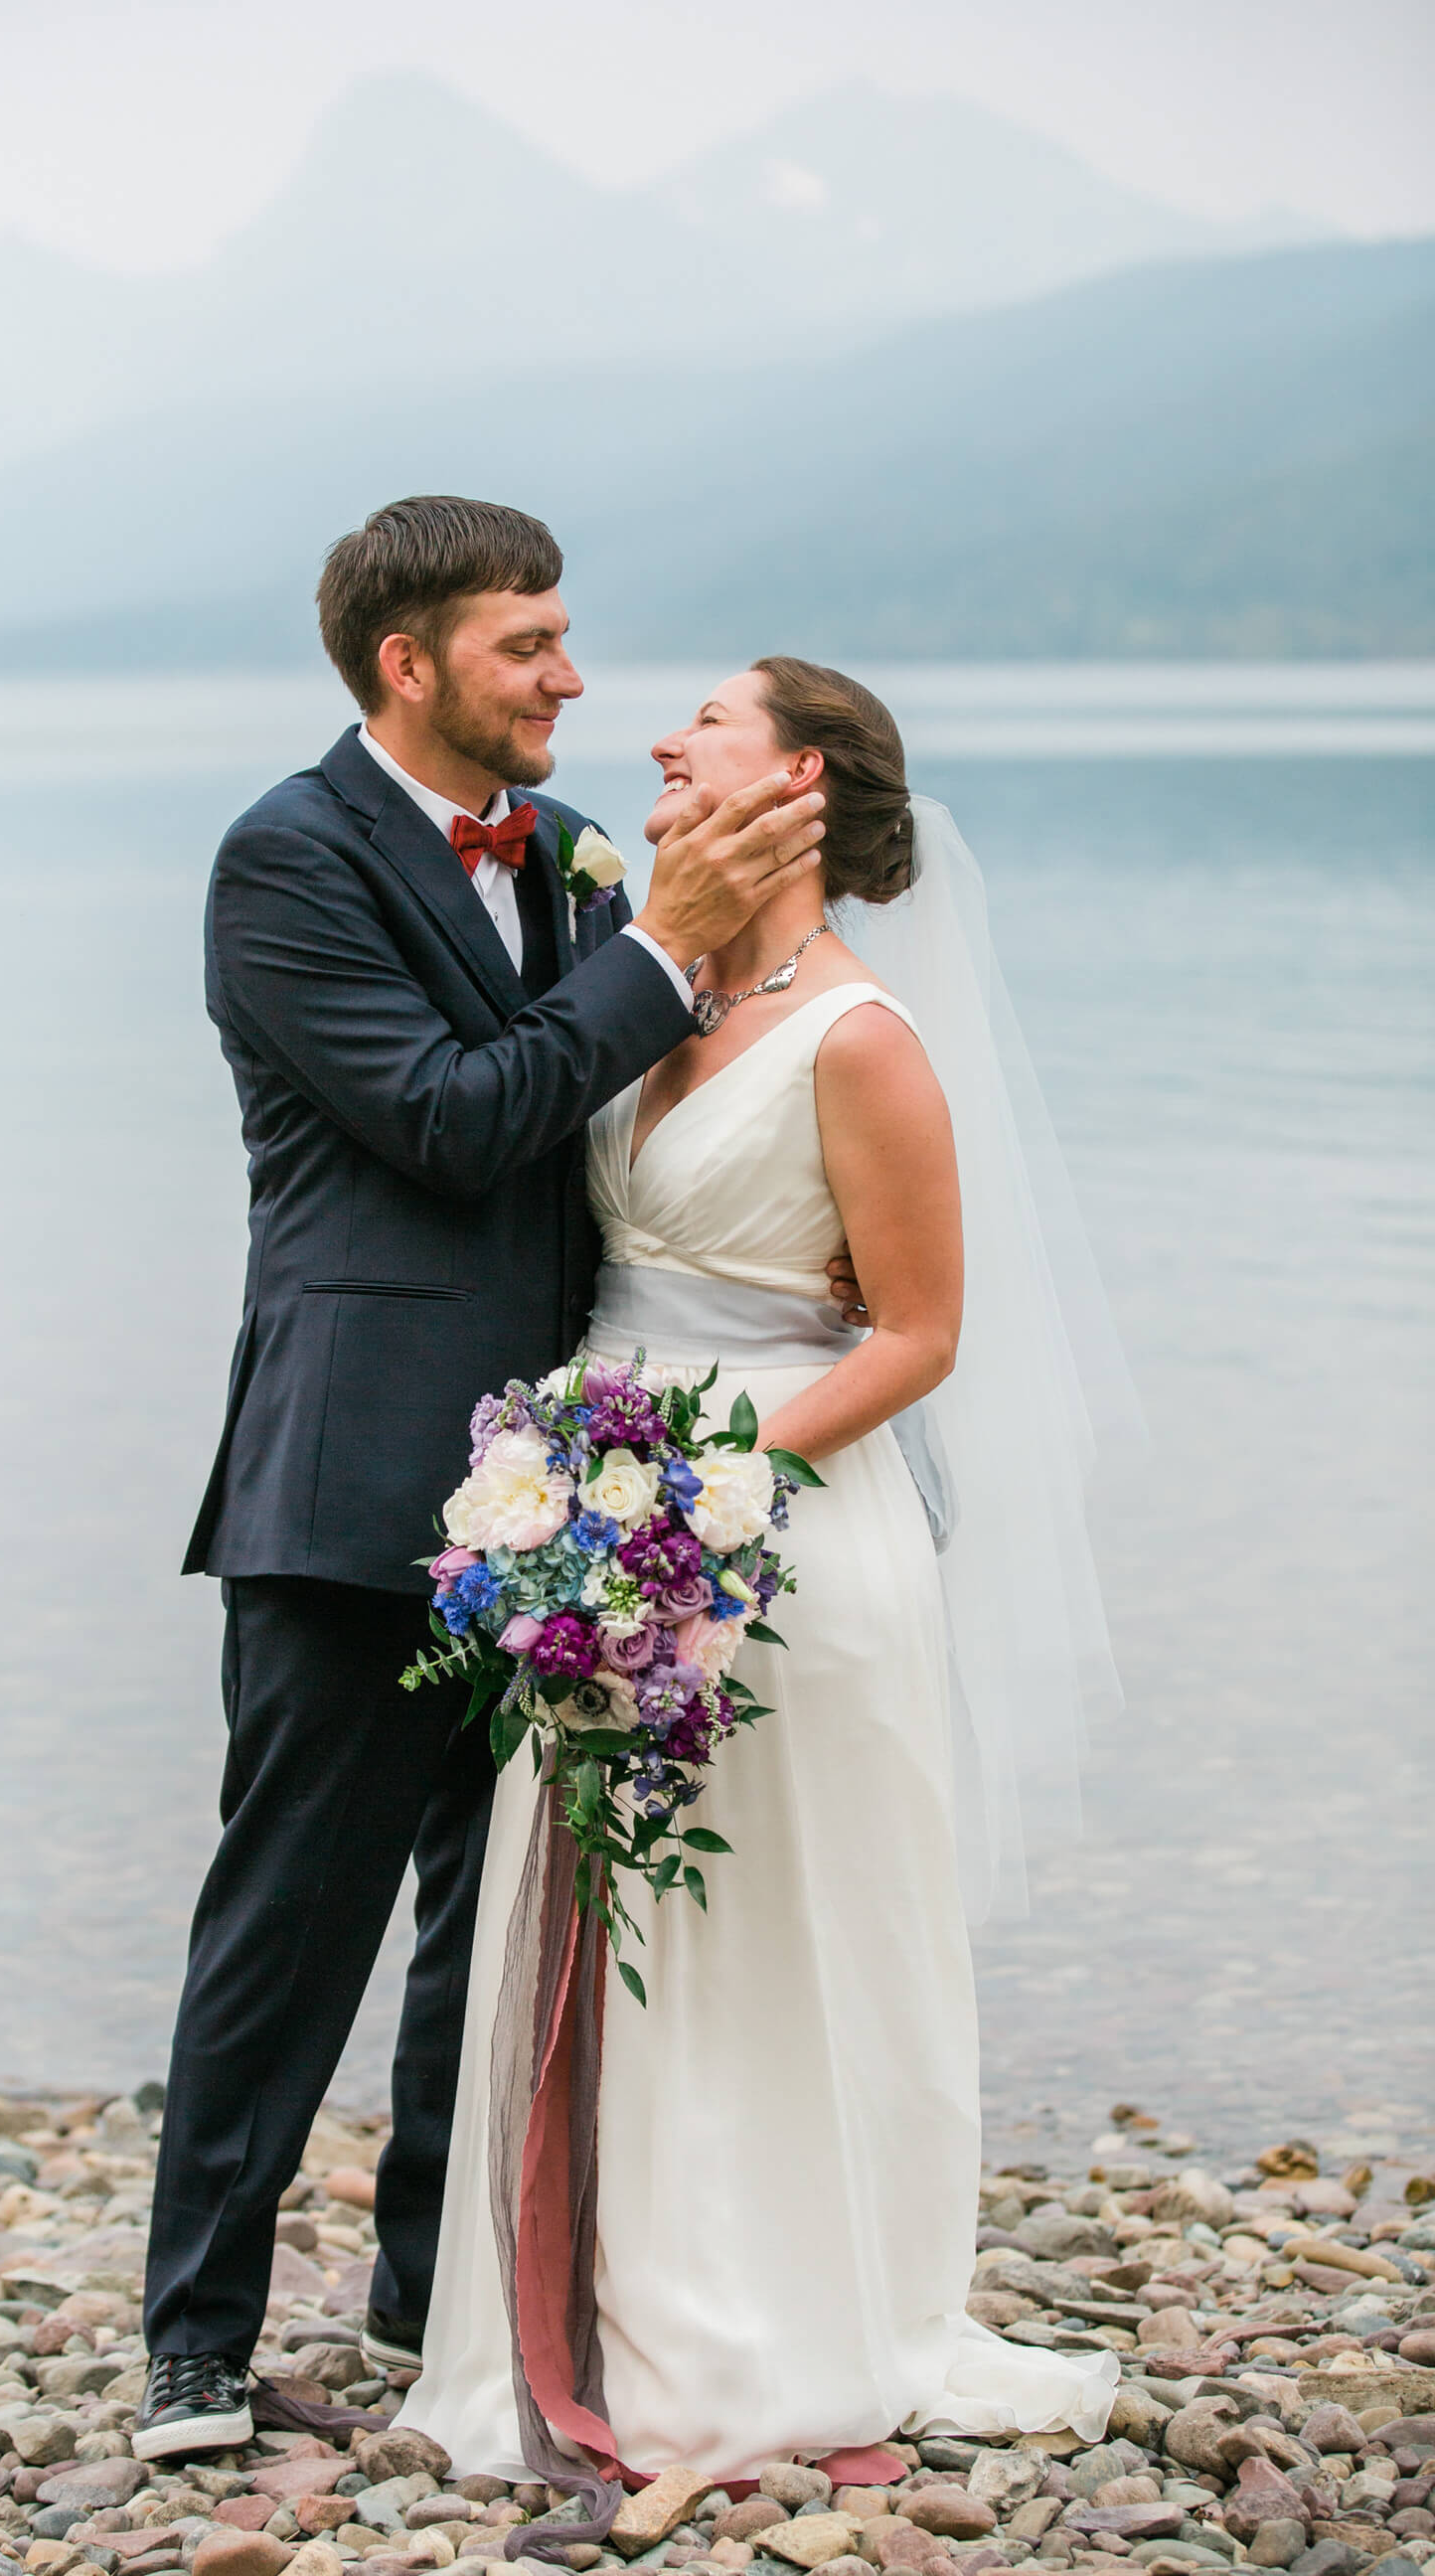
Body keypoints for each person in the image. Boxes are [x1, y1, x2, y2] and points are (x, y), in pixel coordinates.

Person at [135, 499, 834, 2460]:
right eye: (528, 644)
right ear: (408, 665)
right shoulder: (288, 858)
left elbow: (604, 1131)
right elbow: (454, 1125)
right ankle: (194, 2347)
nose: (572, 679)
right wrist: (672, 950)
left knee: (495, 1919)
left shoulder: (571, 864)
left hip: (570, 1492)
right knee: (288, 1931)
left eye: (566, 635)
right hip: (355, 1486)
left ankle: (430, 2304)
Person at [404, 659, 1125, 2495]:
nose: (658, 738)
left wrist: (703, 1483)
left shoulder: (864, 1039)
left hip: (779, 1529)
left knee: (784, 1931)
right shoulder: (642, 988)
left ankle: (801, 2311)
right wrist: (578, 1502)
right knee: (620, 1927)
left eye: (705, 721)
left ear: (797, 776)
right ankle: (607, 2300)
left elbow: (919, 1334)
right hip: (593, 1519)